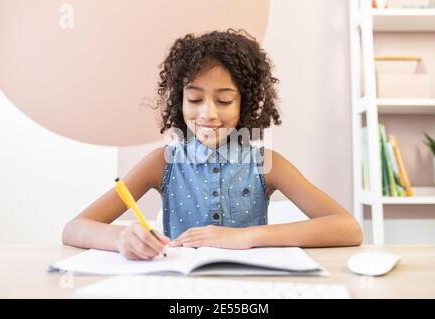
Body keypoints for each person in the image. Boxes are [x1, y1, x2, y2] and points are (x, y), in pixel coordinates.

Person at [62, 29, 362, 260]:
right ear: (180, 100)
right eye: (194, 99)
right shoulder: (162, 162)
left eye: (224, 100)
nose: (208, 113)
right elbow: (74, 228)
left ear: (244, 103)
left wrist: (248, 237)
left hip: (248, 290)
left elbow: (348, 228)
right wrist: (121, 239)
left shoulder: (266, 163)